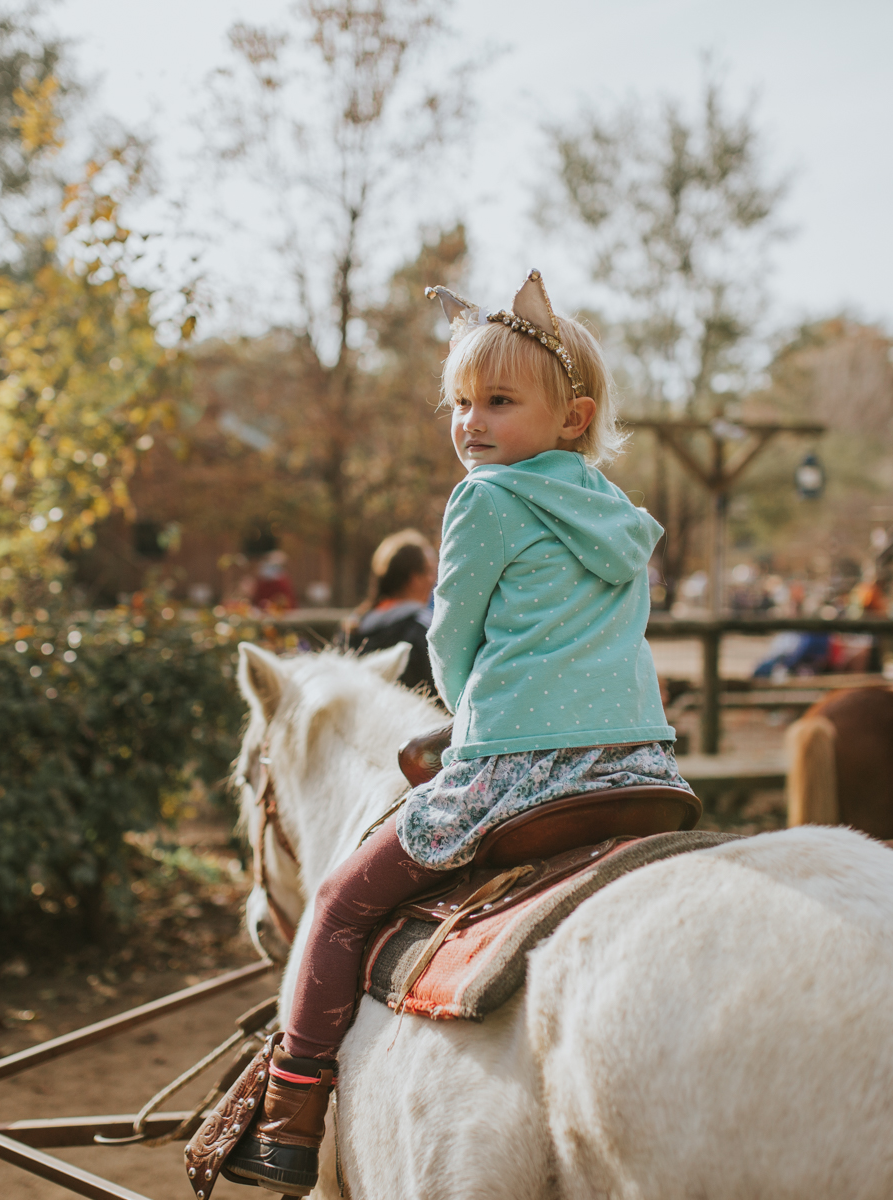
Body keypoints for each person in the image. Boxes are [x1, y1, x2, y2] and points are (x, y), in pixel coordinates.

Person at [224, 270, 690, 1194]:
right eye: (460, 403)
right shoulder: (619, 518)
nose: (470, 423)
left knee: (342, 904)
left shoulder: (484, 500)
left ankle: (290, 1114)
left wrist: (471, 718)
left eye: (499, 402)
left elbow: (450, 639)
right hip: (639, 766)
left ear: (572, 416)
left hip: (521, 776)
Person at [346, 530, 437, 697]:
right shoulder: (422, 629)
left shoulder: (353, 626)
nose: (434, 579)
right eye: (430, 571)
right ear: (414, 579)